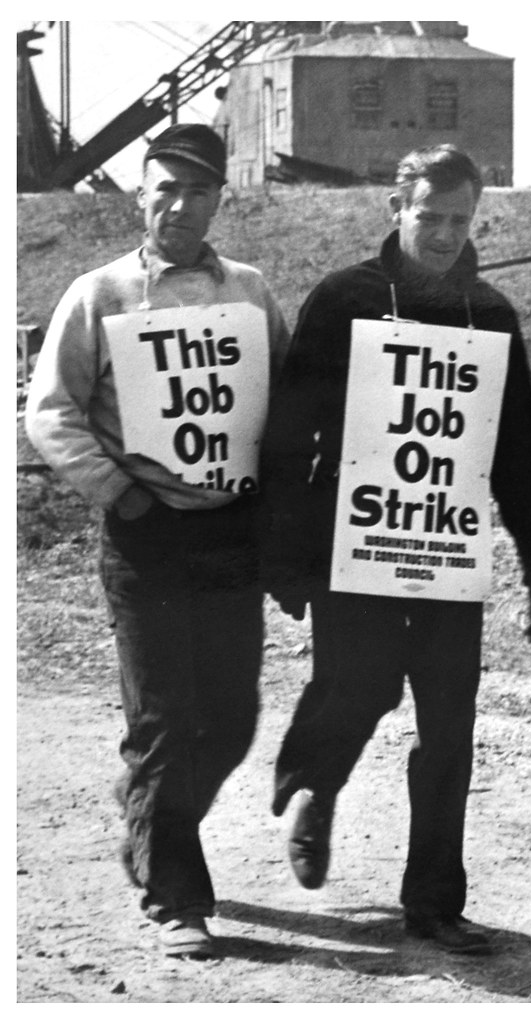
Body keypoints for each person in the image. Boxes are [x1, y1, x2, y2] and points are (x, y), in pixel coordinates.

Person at [261, 144, 531, 955]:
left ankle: (434, 901)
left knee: (448, 727)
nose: (441, 234)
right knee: (355, 689)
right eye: (427, 216)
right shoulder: (344, 299)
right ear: (395, 211)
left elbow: (518, 452)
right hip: (352, 543)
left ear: (476, 220)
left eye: (458, 220)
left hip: (443, 553)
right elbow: (292, 433)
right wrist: (285, 553)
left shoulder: (491, 314)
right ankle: (312, 785)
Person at [26, 123, 289, 959]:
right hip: (147, 538)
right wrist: (120, 494)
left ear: (219, 200)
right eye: (163, 189)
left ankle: (146, 809)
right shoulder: (97, 293)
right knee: (166, 717)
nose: (179, 205)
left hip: (232, 532)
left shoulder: (248, 290)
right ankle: (177, 897)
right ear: (139, 195)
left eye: (197, 191)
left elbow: (281, 395)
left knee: (232, 717)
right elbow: (50, 412)